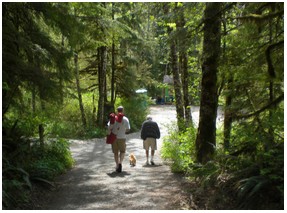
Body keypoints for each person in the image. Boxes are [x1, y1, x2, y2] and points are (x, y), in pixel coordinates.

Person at [108, 106, 130, 172]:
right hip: (122, 138)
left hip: (114, 138)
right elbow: (128, 129)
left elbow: (109, 128)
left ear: (117, 111)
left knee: (115, 152)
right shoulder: (125, 119)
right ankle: (120, 162)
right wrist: (124, 131)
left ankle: (117, 165)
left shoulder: (113, 118)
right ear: (123, 111)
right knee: (122, 151)